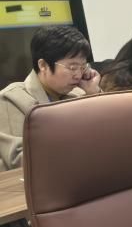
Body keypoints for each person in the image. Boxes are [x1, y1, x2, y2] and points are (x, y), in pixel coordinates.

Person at [0, 25, 101, 170]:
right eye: (72, 68)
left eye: (83, 67)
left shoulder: (80, 94)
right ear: (43, 65)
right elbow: (19, 158)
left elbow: (108, 134)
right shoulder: (12, 99)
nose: (78, 75)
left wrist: (94, 94)